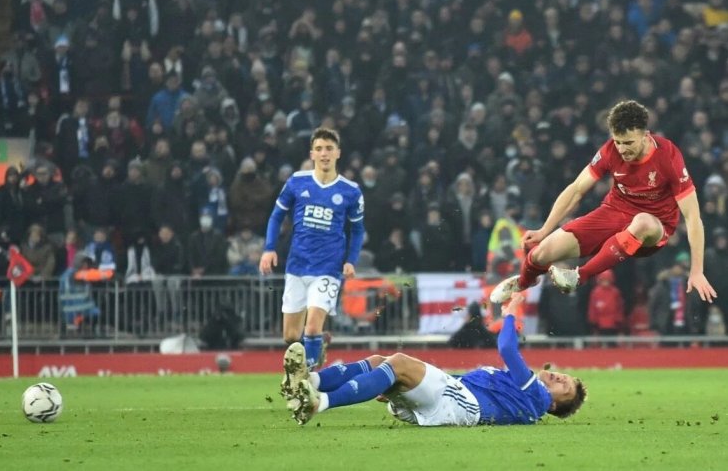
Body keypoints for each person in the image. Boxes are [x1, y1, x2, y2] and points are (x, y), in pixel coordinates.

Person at [490, 100, 717, 305]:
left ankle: (581, 276)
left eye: (628, 142)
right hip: (613, 213)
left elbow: (693, 217)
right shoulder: (610, 151)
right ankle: (522, 282)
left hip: (654, 228)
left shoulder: (668, 156)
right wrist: (544, 230)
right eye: (618, 142)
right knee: (542, 253)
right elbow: (576, 190)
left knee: (642, 222)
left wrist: (697, 270)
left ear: (645, 135)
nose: (622, 149)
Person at [283, 294, 586, 426]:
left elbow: (507, 347)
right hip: (456, 402)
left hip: (462, 406)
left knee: (398, 361)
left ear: (555, 405)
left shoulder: (535, 395)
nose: (561, 378)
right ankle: (307, 381)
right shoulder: (524, 393)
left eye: (565, 387)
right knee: (380, 363)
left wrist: (511, 314)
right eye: (564, 376)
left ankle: (319, 402)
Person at [259, 127, 365, 377]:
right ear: (312, 153)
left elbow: (357, 230)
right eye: (319, 149)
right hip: (297, 266)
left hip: (328, 269)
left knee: (312, 327)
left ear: (338, 153)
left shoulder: (350, 191)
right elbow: (276, 216)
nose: (324, 153)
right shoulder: (297, 182)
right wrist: (268, 249)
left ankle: (309, 380)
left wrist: (350, 260)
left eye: (329, 148)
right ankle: (318, 349)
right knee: (291, 336)